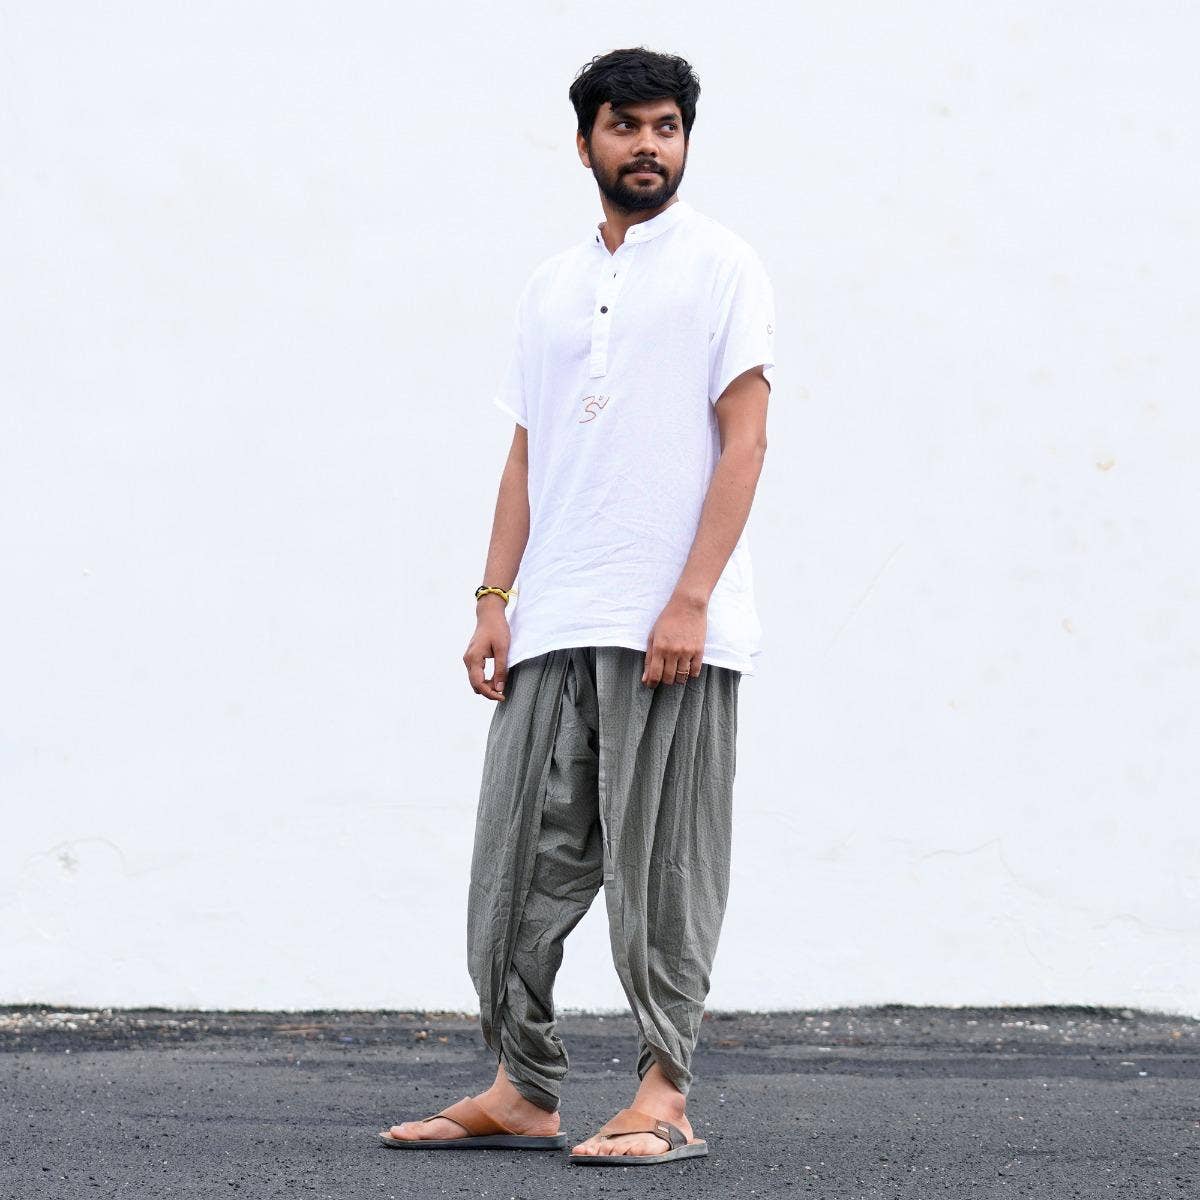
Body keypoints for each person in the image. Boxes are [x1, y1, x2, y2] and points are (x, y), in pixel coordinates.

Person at [380, 45, 775, 1167]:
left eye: (666, 127)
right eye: (625, 125)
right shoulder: (551, 286)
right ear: (585, 140)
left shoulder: (723, 265)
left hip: (669, 627)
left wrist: (690, 598)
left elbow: (747, 440)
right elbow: (527, 454)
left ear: (685, 140)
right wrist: (493, 597)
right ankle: (522, 1088)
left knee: (664, 868)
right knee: (516, 865)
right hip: (553, 614)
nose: (647, 145)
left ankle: (664, 1093)